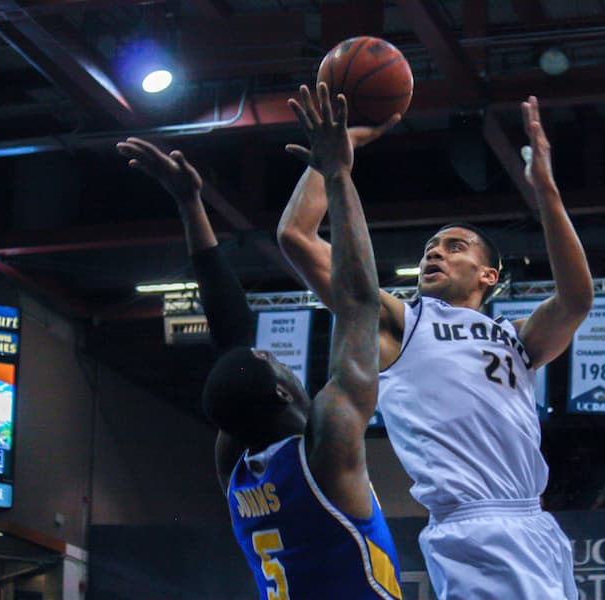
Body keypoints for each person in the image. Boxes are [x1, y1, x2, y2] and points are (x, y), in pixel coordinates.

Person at [278, 95, 593, 599]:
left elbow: (577, 299)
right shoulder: (399, 323)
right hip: (474, 527)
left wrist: (547, 193)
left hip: (536, 524)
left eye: (454, 246)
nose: (435, 253)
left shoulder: (516, 337)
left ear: (489, 276)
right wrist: (331, 162)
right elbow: (297, 237)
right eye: (430, 248)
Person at [116, 82, 402, 600]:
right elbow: (359, 301)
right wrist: (337, 172)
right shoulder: (329, 447)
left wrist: (190, 204)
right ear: (280, 391)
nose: (276, 355)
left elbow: (232, 333)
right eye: (271, 359)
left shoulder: (239, 467)